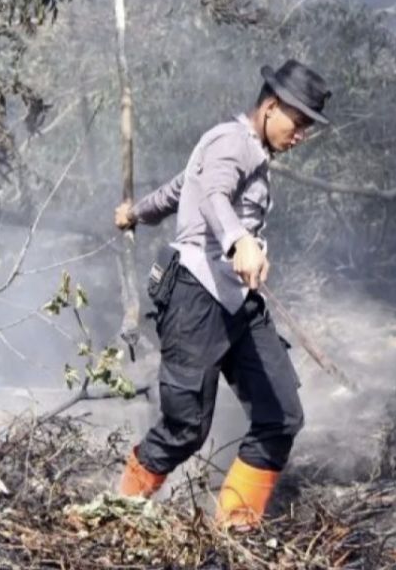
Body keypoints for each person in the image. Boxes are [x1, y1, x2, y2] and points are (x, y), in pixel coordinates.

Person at [112, 59, 331, 527]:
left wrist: (136, 213)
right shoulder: (233, 142)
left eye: (309, 127)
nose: (301, 135)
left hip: (237, 302)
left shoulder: (246, 151)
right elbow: (211, 194)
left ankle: (236, 528)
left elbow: (179, 189)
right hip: (193, 294)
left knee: (280, 417)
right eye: (299, 122)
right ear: (271, 107)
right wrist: (239, 240)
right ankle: (115, 513)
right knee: (184, 429)